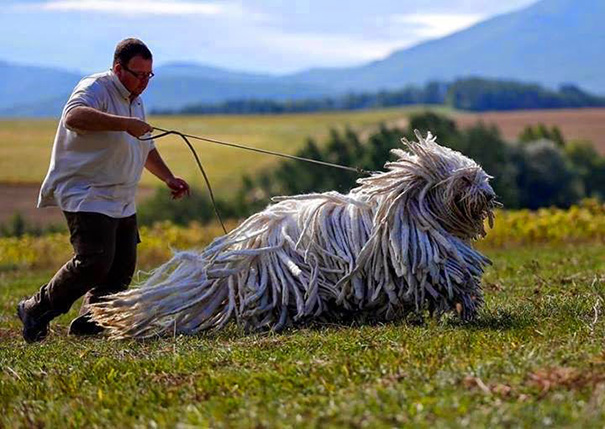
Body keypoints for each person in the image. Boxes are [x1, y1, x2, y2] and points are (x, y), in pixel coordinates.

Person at [16, 38, 190, 342]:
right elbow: (74, 116)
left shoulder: (136, 99)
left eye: (149, 76)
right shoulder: (95, 87)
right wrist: (124, 123)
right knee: (94, 261)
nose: (143, 82)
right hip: (86, 191)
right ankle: (35, 309)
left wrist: (168, 178)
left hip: (122, 196)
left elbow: (145, 148)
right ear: (117, 68)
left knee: (122, 267)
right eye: (138, 74)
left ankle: (92, 321)